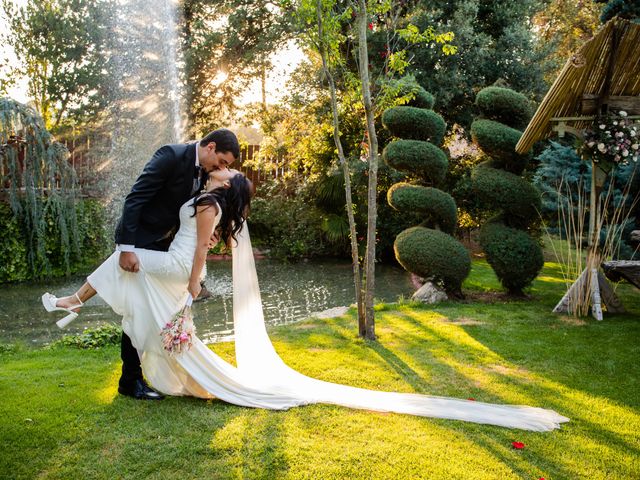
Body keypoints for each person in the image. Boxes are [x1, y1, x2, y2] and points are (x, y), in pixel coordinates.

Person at [44, 170, 569, 431]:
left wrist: (193, 285)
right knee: (128, 272)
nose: (221, 169)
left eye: (227, 171)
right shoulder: (206, 197)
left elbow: (199, 251)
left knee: (122, 258)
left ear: (227, 185)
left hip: (181, 267)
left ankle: (75, 300)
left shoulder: (207, 204)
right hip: (176, 265)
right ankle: (85, 308)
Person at [41, 129, 240, 400]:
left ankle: (80, 307)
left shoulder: (207, 171)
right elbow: (136, 197)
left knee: (147, 314)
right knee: (137, 310)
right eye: (222, 161)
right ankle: (131, 379)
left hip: (168, 249)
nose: (222, 167)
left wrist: (208, 235)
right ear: (210, 147)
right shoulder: (171, 156)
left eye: (226, 166)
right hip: (140, 241)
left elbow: (201, 210)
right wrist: (126, 248)